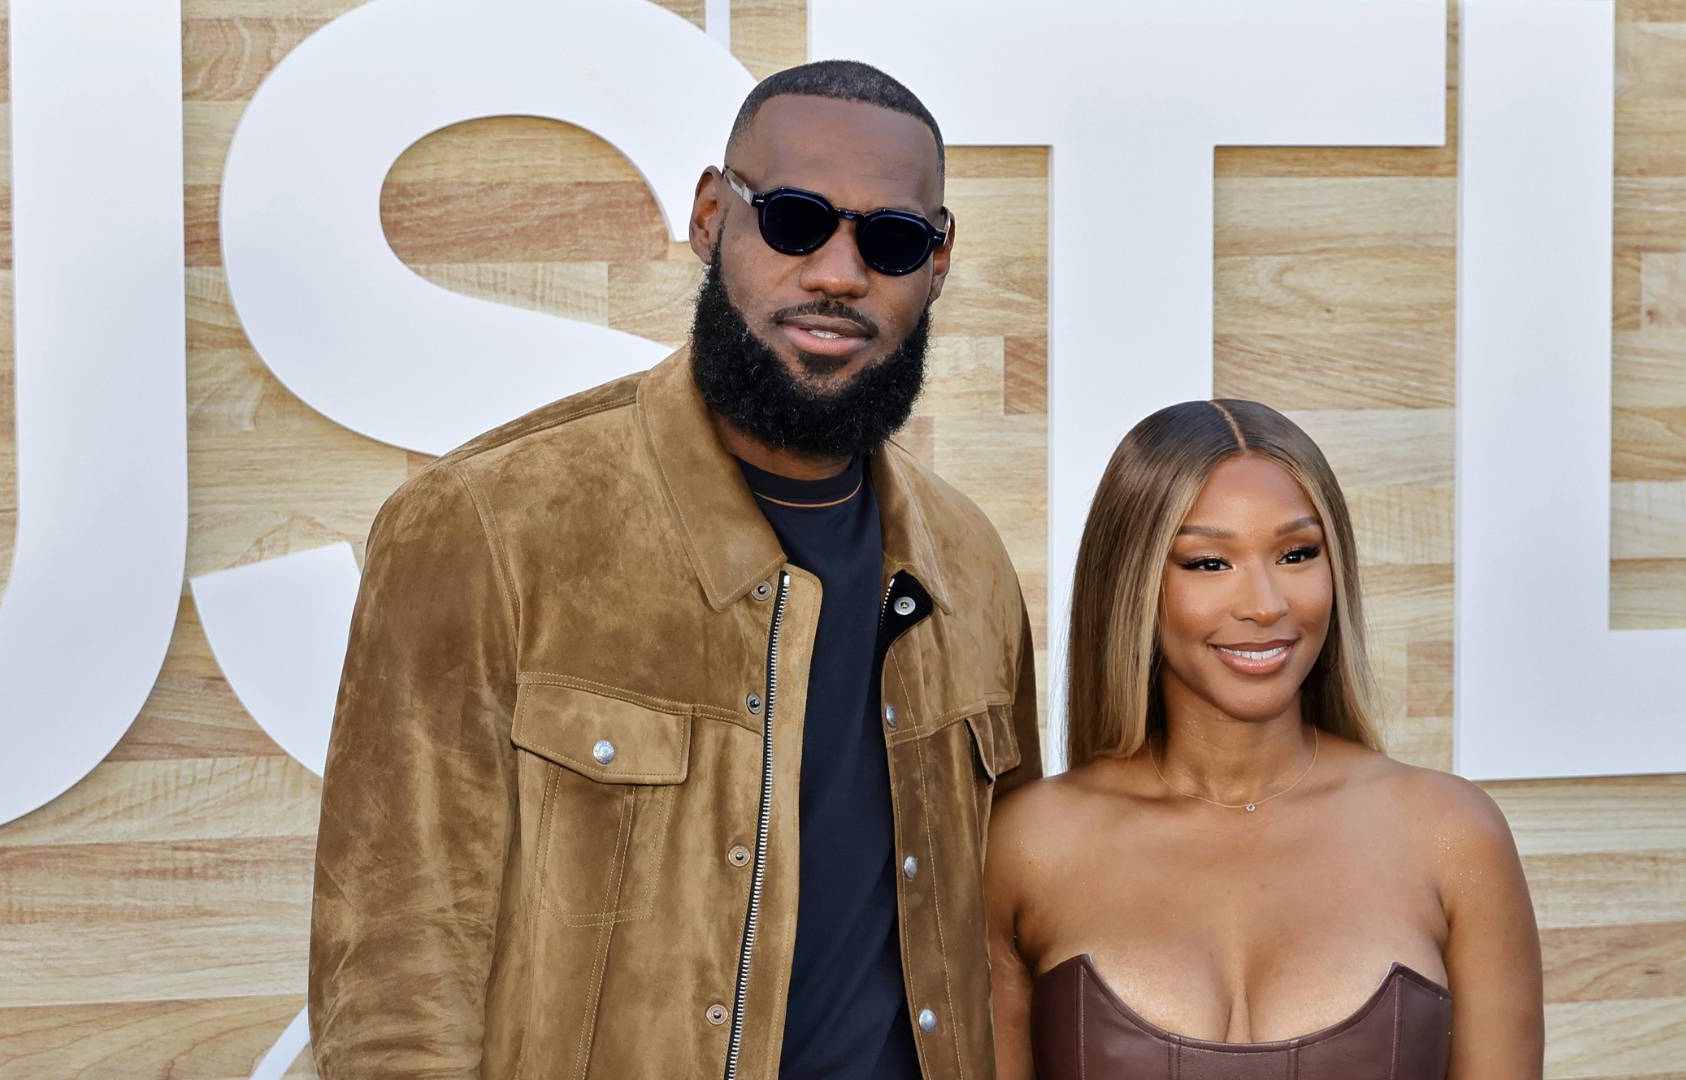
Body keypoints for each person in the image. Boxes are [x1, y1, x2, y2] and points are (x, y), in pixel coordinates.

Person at [309, 60, 1043, 1080]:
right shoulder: (487, 526)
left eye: (890, 238)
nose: (837, 273)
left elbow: (1006, 944)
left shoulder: (968, 563)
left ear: (939, 258)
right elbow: (393, 990)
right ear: (711, 216)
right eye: (793, 219)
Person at [985, 400, 1543, 1078]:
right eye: (1208, 562)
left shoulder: (1452, 836)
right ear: (1133, 583)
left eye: (1296, 554)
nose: (1265, 604)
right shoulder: (1026, 846)